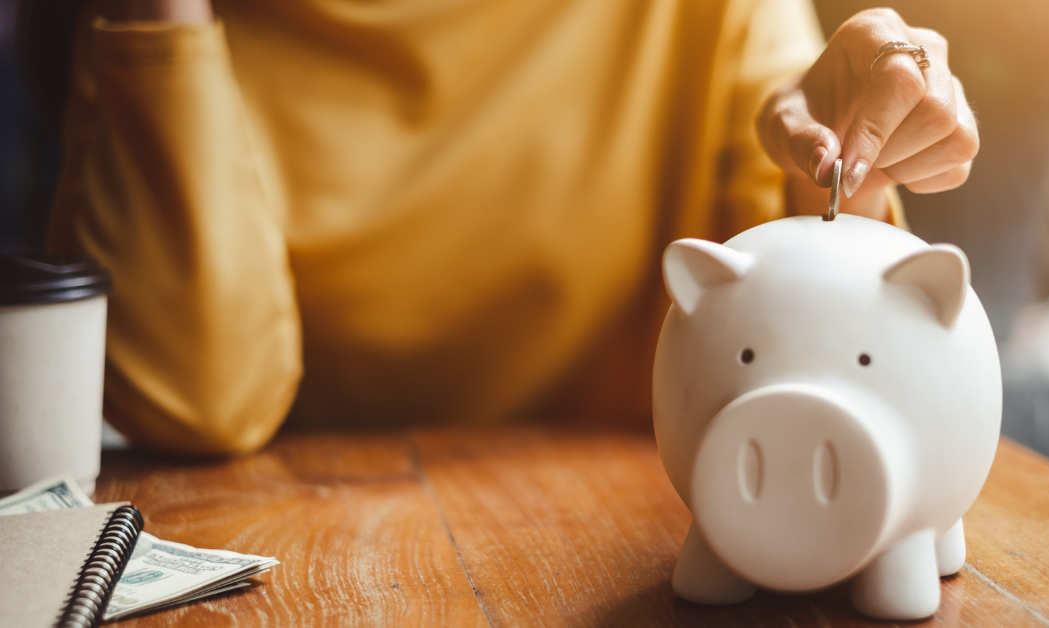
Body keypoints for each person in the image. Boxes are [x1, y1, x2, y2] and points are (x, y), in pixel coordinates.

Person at [25, 0, 977, 454]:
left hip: (637, 543)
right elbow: (193, 401)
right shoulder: (164, 23)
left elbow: (806, 326)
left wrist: (846, 139)